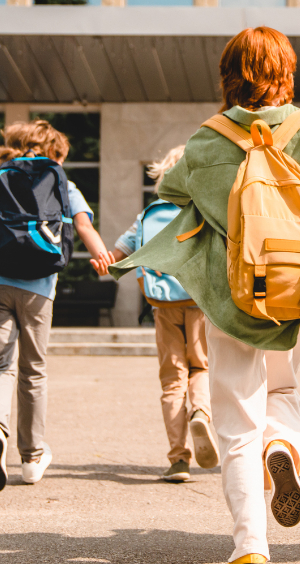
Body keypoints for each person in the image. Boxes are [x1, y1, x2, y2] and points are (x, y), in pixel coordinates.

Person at [109, 26, 300, 564]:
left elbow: (169, 190)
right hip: (298, 287)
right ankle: (282, 445)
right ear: (287, 72)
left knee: (236, 419)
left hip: (230, 294)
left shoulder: (208, 139)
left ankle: (250, 547)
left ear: (227, 76)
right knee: (282, 386)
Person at [0, 120, 114, 492]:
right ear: (55, 153)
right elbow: (84, 227)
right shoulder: (64, 183)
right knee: (33, 371)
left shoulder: (0, 180)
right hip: (38, 287)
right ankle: (32, 458)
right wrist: (103, 258)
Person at [96, 145, 218, 484]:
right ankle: (201, 411)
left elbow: (118, 255)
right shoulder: (205, 209)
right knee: (201, 367)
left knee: (172, 379)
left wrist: (103, 262)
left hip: (162, 305)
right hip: (199, 301)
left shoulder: (148, 215)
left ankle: (178, 459)